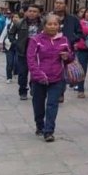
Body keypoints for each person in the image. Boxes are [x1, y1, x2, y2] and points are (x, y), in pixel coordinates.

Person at [27, 14, 74, 142]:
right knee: (38, 105)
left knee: (52, 105)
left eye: (55, 24)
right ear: (44, 25)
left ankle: (49, 131)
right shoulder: (36, 40)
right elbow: (31, 59)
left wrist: (67, 56)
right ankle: (40, 125)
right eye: (49, 24)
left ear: (59, 26)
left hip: (57, 78)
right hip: (39, 78)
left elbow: (71, 57)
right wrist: (37, 75)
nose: (52, 27)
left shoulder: (64, 39)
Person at [53, 0, 84, 103]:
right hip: (51, 49)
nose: (58, 5)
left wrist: (72, 39)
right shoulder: (49, 18)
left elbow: (80, 33)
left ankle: (60, 93)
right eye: (56, 2)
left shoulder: (73, 19)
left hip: (66, 50)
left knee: (62, 73)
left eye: (61, 3)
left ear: (66, 5)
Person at [11, 5, 43, 100]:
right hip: (23, 52)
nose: (32, 13)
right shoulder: (19, 23)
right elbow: (11, 33)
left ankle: (34, 88)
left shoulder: (43, 23)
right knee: (22, 73)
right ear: (27, 12)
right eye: (30, 11)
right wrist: (16, 43)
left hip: (38, 52)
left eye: (34, 11)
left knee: (36, 72)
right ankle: (22, 91)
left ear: (39, 13)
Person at [0, 13, 21, 83]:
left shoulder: (22, 26)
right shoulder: (8, 26)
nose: (15, 18)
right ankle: (9, 77)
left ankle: (16, 73)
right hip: (9, 46)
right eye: (14, 17)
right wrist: (0, 42)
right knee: (9, 62)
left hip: (19, 46)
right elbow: (3, 34)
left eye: (17, 17)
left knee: (17, 62)